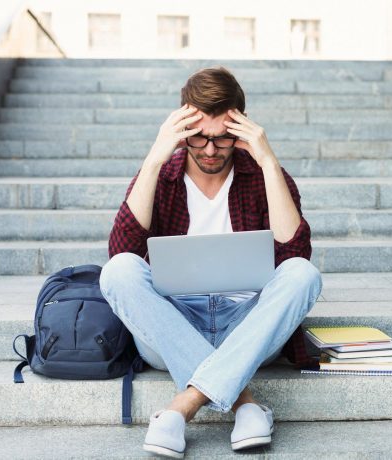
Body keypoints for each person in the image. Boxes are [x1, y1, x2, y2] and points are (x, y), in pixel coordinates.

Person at [99, 66, 322, 458]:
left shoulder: (262, 176)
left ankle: (181, 408)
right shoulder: (163, 176)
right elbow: (122, 250)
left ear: (240, 130)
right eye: (199, 136)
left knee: (303, 275)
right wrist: (155, 156)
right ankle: (245, 404)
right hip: (173, 324)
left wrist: (268, 161)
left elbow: (294, 255)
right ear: (182, 128)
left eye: (222, 139)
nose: (209, 149)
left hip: (247, 325)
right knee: (118, 271)